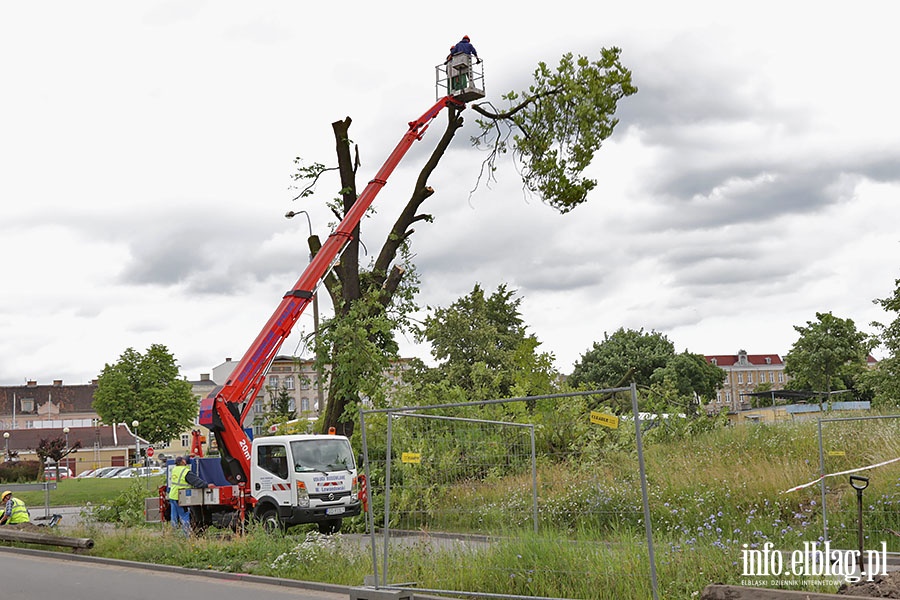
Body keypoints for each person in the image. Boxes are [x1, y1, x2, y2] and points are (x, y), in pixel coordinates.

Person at [167, 456, 214, 536]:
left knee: (174, 517)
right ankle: (187, 536)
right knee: (184, 516)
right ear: (182, 462)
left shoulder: (174, 469)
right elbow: (196, 481)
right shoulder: (185, 471)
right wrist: (206, 485)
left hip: (172, 495)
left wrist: (190, 455)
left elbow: (184, 459)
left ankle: (173, 536)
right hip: (180, 497)